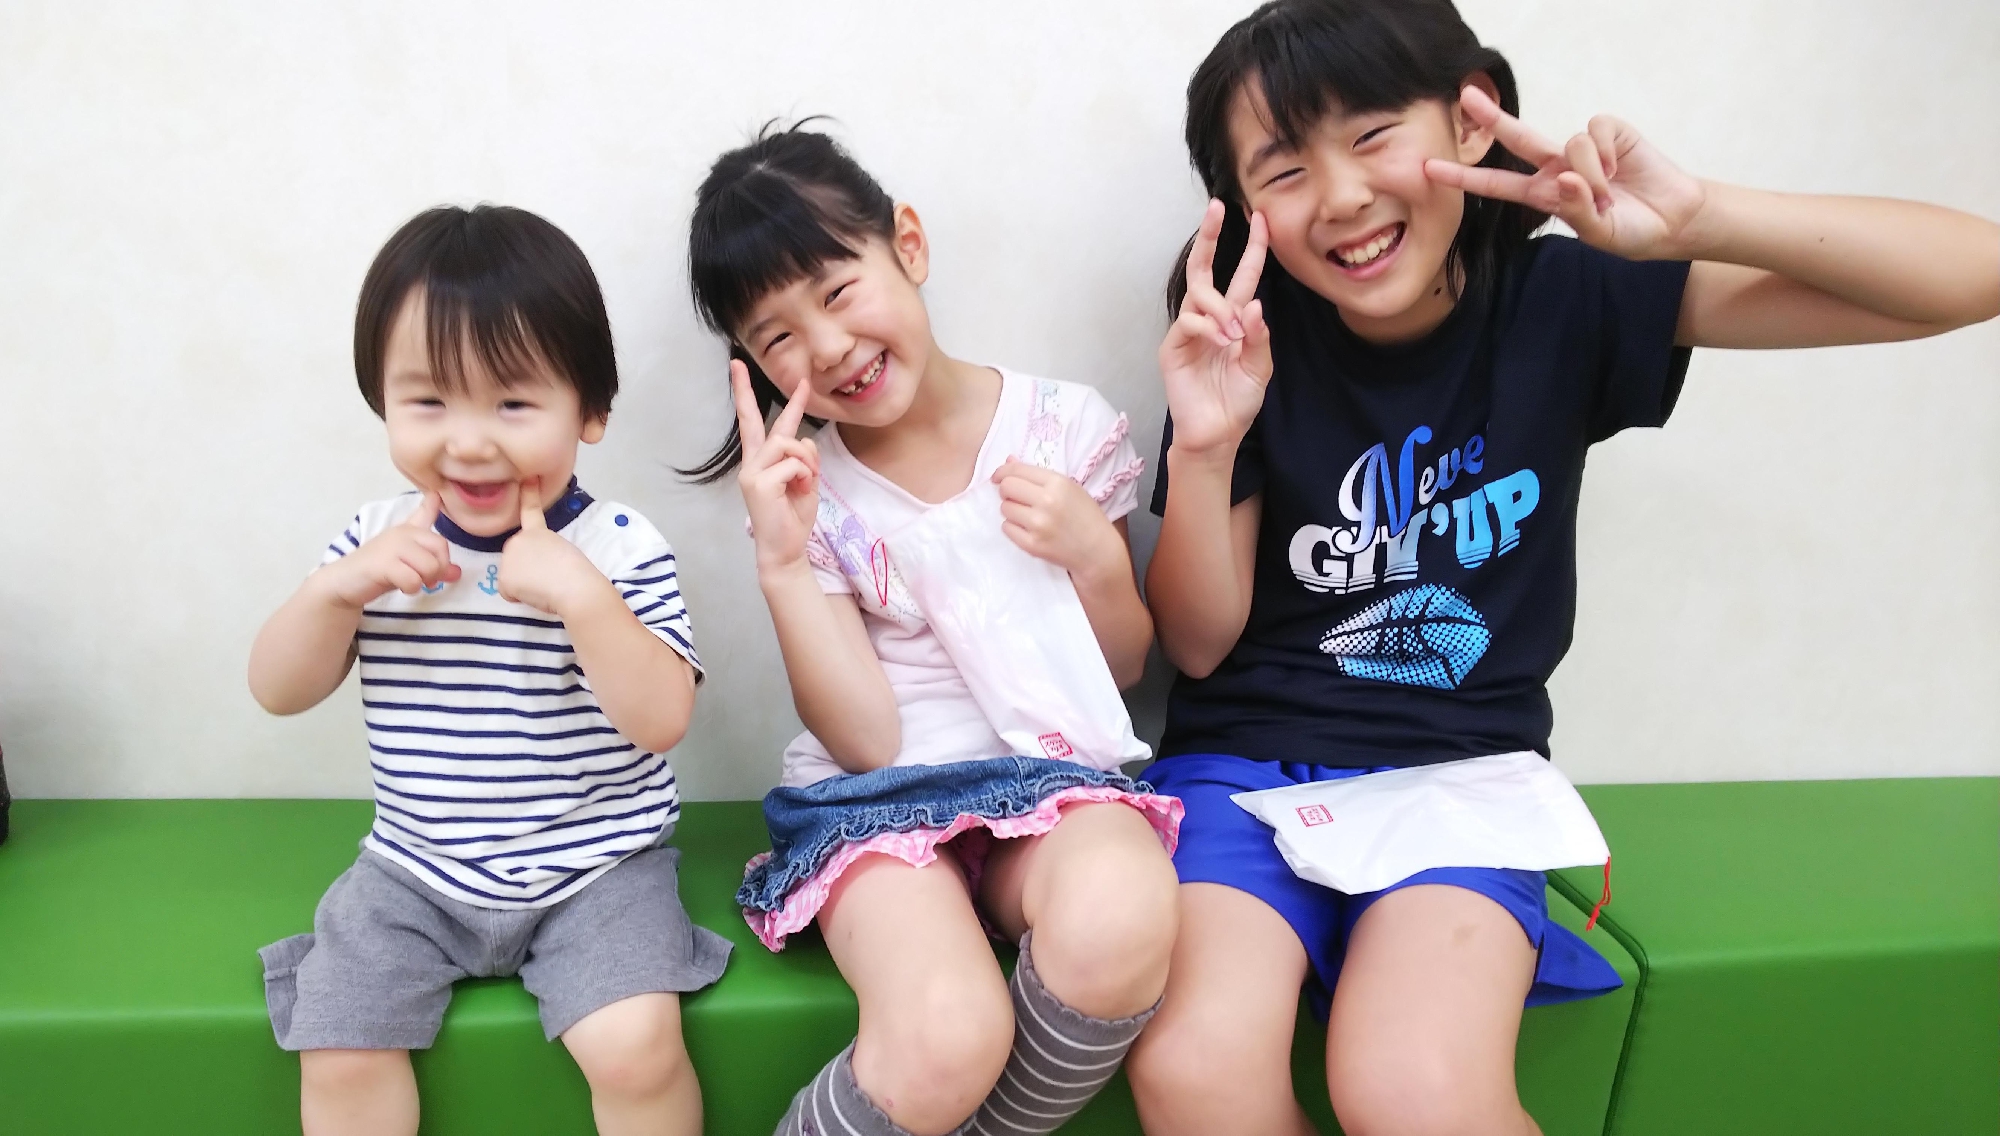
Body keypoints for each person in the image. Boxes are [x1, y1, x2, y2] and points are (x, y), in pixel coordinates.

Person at [1125, 2, 2000, 1133]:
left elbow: (1972, 274)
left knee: (1414, 1087)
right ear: (1245, 211)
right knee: (1195, 1071)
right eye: (1285, 170)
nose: (1339, 195)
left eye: (1373, 134)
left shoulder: (1563, 298)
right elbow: (1196, 644)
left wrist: (1698, 215)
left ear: (1472, 118)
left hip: (1458, 775)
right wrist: (1203, 449)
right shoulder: (1241, 337)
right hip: (1241, 771)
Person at [684, 124, 1181, 1136]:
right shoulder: (811, 495)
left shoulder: (1064, 428)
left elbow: (1125, 666)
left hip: (1053, 785)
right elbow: (866, 742)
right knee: (947, 1033)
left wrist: (1093, 554)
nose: (827, 348)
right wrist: (783, 563)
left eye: (837, 291)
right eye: (778, 338)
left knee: (1121, 914)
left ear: (906, 244)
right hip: (877, 804)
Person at [248, 204, 730, 1136]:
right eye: (428, 402)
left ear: (590, 412)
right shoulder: (375, 541)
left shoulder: (618, 547)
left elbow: (663, 718)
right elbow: (277, 688)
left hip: (597, 869)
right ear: (382, 403)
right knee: (340, 1043)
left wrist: (585, 599)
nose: (469, 442)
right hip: (413, 871)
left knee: (635, 1047)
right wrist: (335, 593)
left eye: (512, 403)